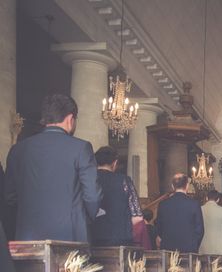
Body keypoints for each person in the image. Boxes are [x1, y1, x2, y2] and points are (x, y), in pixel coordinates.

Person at [4, 93, 101, 242]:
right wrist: (82, 218)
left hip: (26, 239)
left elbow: (9, 197)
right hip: (70, 237)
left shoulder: (18, 150)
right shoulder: (81, 148)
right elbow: (92, 195)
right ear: (70, 119)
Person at [91, 146, 135, 247]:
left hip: (91, 237)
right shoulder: (124, 180)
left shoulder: (88, 179)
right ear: (114, 163)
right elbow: (137, 216)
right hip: (119, 239)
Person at [156, 174, 204, 253]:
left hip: (168, 249)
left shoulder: (163, 204)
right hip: (189, 249)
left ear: (172, 186)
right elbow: (200, 230)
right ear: (187, 186)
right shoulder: (194, 204)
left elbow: (159, 228)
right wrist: (194, 246)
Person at [199, 189, 222, 256]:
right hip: (219, 249)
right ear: (218, 199)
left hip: (203, 248)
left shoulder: (200, 209)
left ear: (206, 198)